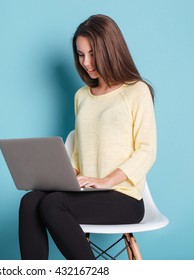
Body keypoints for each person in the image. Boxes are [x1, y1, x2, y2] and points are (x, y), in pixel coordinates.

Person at [18, 14, 157, 260]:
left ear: (110, 49)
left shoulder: (137, 91)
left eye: (92, 53)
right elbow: (80, 150)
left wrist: (107, 180)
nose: (86, 62)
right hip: (87, 193)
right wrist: (67, 173)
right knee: (30, 201)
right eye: (80, 55)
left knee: (52, 206)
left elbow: (146, 151)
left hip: (124, 196)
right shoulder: (82, 96)